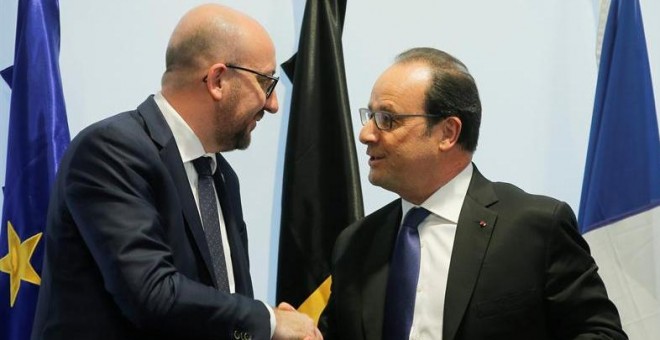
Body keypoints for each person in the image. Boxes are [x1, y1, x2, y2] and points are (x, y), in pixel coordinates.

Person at [32, 4, 321, 340]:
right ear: (217, 80)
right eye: (266, 83)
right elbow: (151, 294)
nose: (272, 104)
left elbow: (219, 306)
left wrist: (262, 324)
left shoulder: (220, 176)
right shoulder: (110, 151)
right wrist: (267, 321)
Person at [318, 47, 627, 340]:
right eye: (369, 116)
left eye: (387, 119)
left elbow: (602, 334)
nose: (366, 134)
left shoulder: (534, 228)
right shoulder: (355, 244)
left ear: (447, 133)